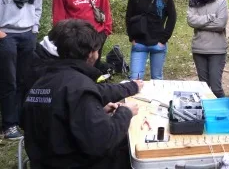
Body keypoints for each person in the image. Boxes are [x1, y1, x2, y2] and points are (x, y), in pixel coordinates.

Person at [22, 19, 140, 169]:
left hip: (42, 162)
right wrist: (125, 112)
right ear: (91, 53)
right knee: (127, 145)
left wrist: (95, 112)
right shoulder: (79, 86)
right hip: (74, 163)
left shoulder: (41, 81)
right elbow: (103, 142)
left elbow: (51, 120)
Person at [26, 20, 143, 104]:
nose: (97, 56)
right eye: (97, 51)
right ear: (90, 54)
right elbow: (104, 130)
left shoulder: (42, 70)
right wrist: (124, 114)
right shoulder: (76, 83)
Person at [0, 0, 42, 140]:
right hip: (5, 33)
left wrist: (34, 27)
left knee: (26, 79)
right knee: (9, 80)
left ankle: (22, 119)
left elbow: (37, 3)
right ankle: (9, 125)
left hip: (27, 33)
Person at [125, 0, 177, 80]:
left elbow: (172, 18)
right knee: (135, 79)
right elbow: (129, 16)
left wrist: (163, 40)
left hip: (158, 42)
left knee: (157, 79)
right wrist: (132, 38)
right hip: (139, 42)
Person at [187, 0, 228, 98]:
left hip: (217, 50)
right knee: (203, 88)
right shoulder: (194, 0)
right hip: (199, 49)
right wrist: (210, 17)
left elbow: (220, 24)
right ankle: (208, 116)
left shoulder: (222, 1)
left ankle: (224, 113)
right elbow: (191, 21)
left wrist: (200, 23)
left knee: (215, 88)